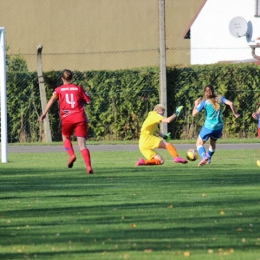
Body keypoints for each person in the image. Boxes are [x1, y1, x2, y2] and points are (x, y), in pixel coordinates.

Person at [40, 69, 94, 174]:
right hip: (80, 117)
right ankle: (88, 166)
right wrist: (83, 100)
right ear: (72, 78)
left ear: (62, 79)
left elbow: (51, 100)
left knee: (65, 137)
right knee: (82, 144)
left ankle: (72, 155)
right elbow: (89, 101)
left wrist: (44, 113)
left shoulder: (58, 90)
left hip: (67, 118)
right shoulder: (79, 88)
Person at [192, 84, 240, 167]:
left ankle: (204, 157)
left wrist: (196, 104)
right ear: (213, 91)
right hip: (219, 127)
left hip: (208, 127)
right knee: (212, 143)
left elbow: (194, 113)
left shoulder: (204, 102)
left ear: (205, 93)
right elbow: (231, 103)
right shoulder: (220, 99)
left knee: (199, 144)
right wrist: (235, 113)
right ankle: (209, 157)